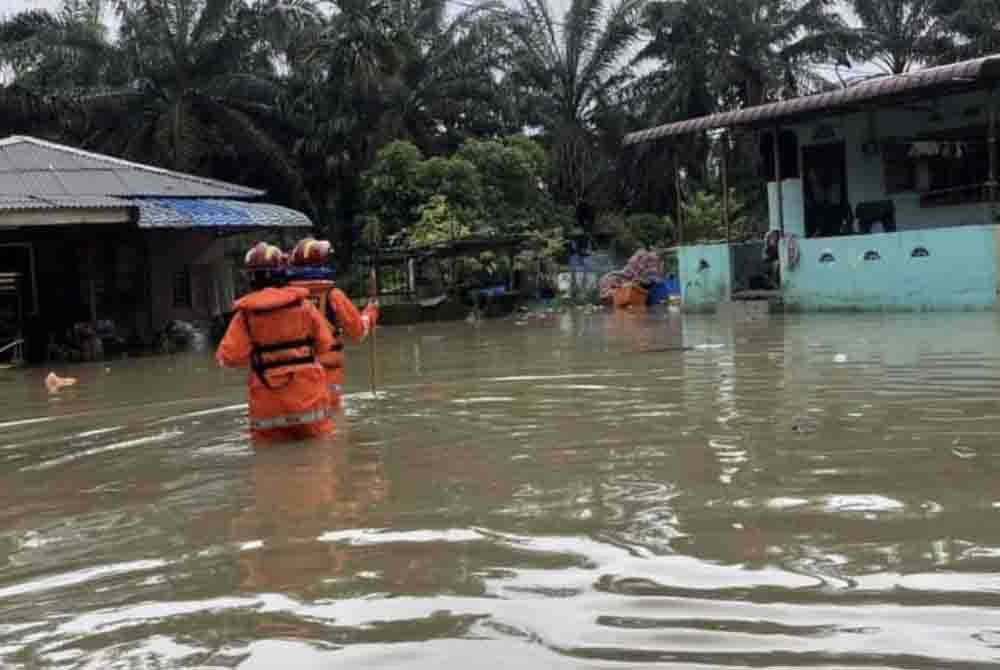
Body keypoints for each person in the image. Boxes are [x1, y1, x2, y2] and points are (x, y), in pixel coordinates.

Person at [216, 242, 335, 443]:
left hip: (267, 405)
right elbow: (325, 344)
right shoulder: (305, 307)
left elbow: (230, 358)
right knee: (319, 464)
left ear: (250, 278)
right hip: (309, 399)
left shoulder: (245, 315)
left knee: (268, 466)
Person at [288, 238, 379, 408]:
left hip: (290, 379)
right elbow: (358, 331)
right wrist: (370, 313)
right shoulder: (333, 295)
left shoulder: (284, 297)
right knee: (332, 423)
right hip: (326, 376)